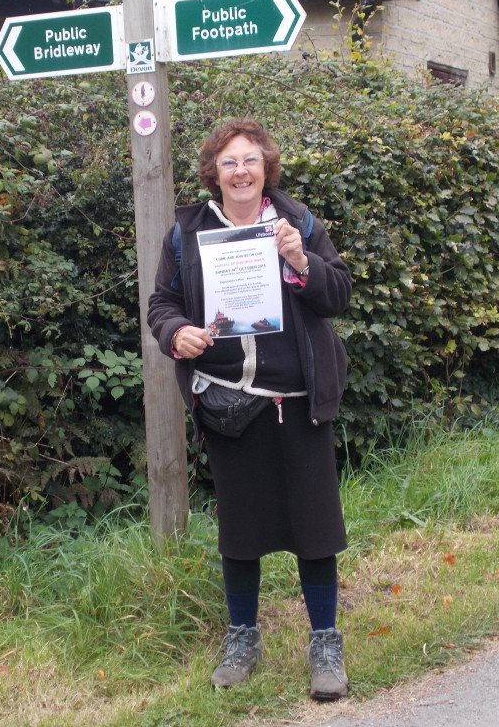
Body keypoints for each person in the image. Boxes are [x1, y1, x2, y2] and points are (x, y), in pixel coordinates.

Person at [147, 117, 352, 700]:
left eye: (251, 160)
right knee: (240, 531)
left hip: (298, 403)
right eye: (229, 162)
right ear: (214, 172)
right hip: (227, 404)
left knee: (315, 529)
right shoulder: (188, 232)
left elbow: (338, 294)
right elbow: (161, 303)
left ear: (267, 169)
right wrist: (177, 332)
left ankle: (325, 641)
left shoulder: (298, 224)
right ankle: (242, 637)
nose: (240, 171)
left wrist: (302, 261)